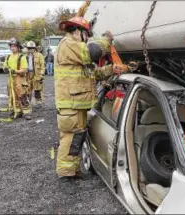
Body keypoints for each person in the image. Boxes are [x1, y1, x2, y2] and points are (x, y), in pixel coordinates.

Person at [54, 16, 126, 184]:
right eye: (87, 35)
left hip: (74, 104)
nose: (87, 39)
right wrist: (106, 40)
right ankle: (66, 174)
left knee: (75, 137)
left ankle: (71, 171)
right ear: (79, 31)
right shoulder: (68, 44)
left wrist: (111, 69)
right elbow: (91, 53)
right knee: (71, 138)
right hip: (70, 104)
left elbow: (94, 73)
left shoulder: (73, 50)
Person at [3, 38, 32, 120]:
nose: (12, 48)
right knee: (12, 96)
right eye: (11, 46)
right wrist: (5, 68)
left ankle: (27, 113)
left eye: (14, 46)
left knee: (22, 96)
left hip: (20, 79)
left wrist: (15, 71)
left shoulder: (21, 57)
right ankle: (17, 111)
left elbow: (25, 70)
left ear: (18, 47)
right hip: (11, 80)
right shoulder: (8, 57)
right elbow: (5, 66)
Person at [25, 41, 45, 105]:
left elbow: (42, 65)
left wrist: (42, 74)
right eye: (29, 48)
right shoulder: (25, 56)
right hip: (28, 74)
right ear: (27, 49)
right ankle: (28, 101)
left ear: (34, 48)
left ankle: (38, 101)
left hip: (37, 74)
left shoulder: (39, 55)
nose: (31, 49)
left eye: (32, 48)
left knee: (37, 88)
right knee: (27, 88)